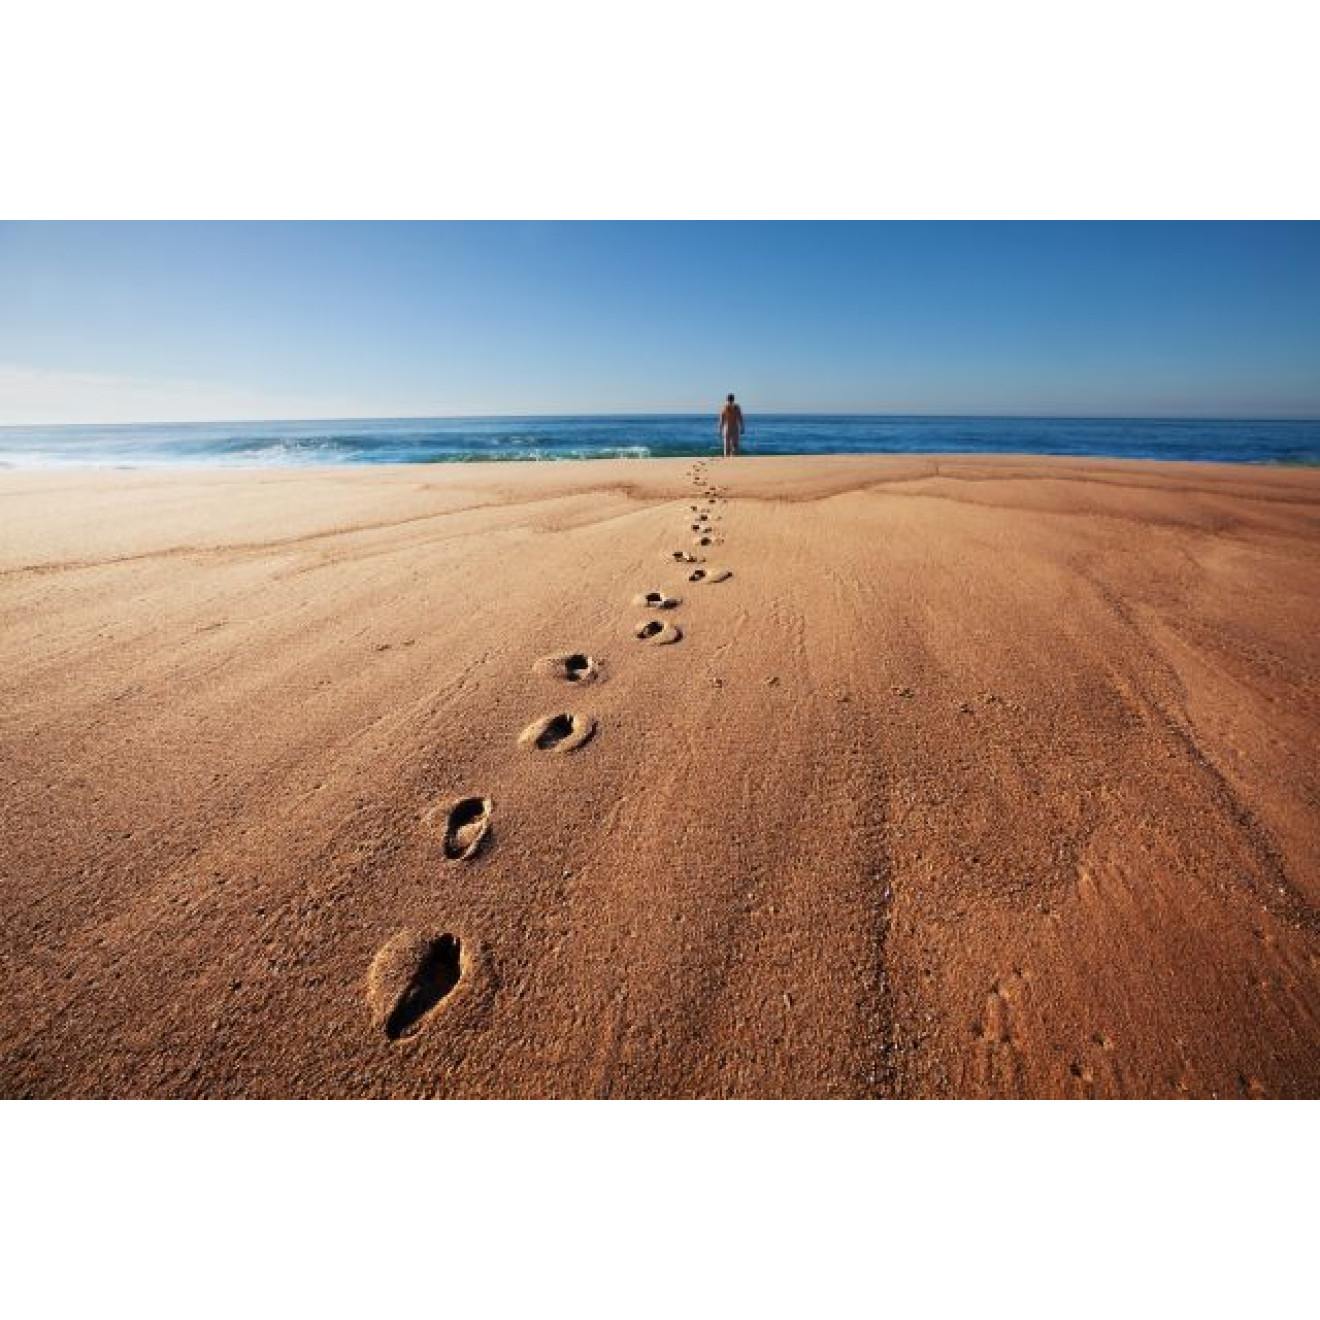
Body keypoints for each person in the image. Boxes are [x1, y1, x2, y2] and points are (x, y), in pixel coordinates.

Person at [718, 393, 745, 457]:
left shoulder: (725, 407)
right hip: (734, 427)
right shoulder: (736, 407)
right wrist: (742, 427)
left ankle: (728, 458)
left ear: (727, 399)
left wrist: (720, 429)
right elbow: (740, 418)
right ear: (734, 399)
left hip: (727, 427)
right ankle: (734, 458)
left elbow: (721, 420)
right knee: (734, 445)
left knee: (727, 445)